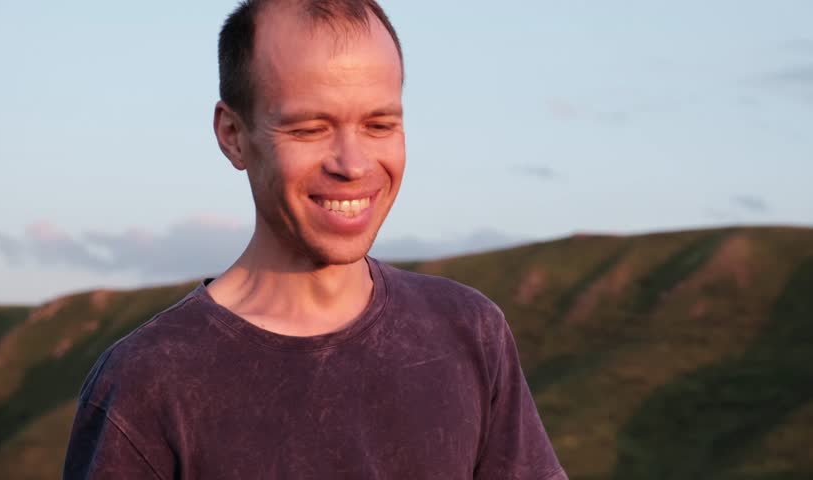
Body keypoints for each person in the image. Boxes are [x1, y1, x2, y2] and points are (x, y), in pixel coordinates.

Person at [62, 0, 568, 478]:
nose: (353, 164)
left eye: (379, 124)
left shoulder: (470, 331)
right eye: (310, 129)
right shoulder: (146, 382)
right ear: (233, 135)